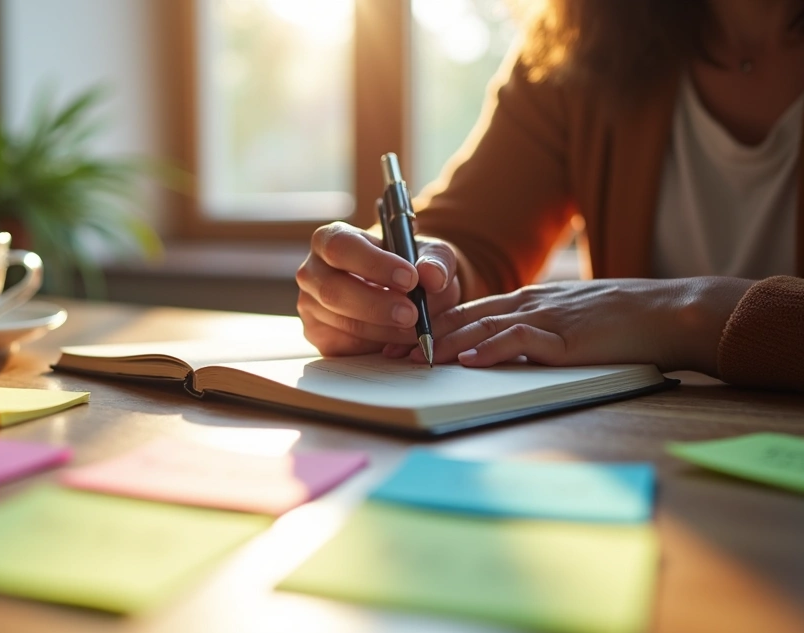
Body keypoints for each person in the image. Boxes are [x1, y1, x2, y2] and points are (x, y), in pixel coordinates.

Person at [296, 0, 804, 392]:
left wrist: (683, 315)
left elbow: (670, 317)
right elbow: (473, 235)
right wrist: (416, 281)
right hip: (645, 451)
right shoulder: (587, 34)